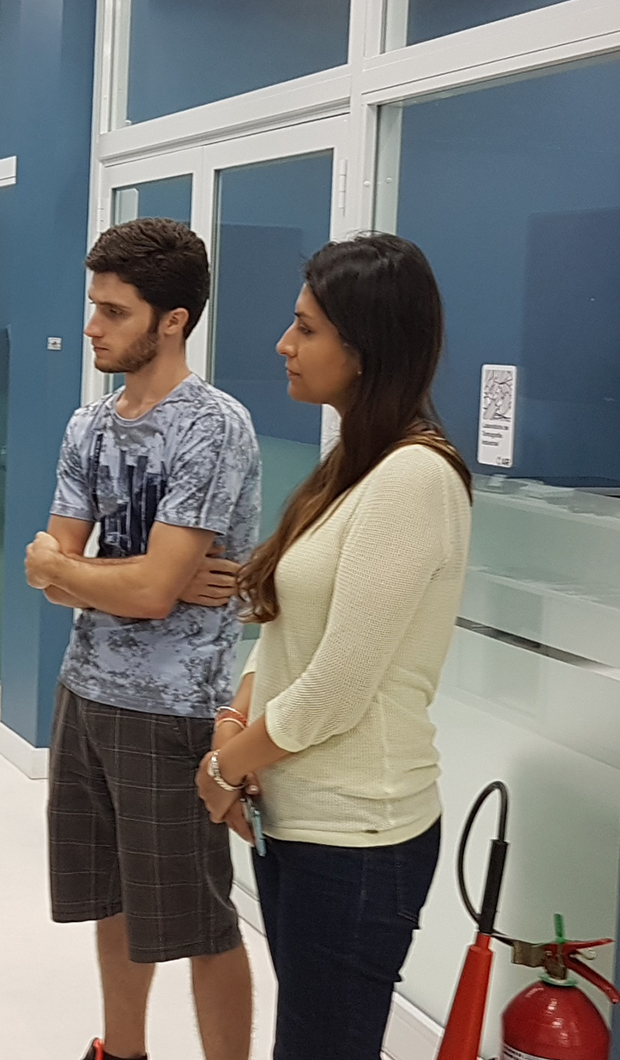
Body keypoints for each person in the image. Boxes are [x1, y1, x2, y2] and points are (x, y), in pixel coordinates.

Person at [196, 233, 473, 1060]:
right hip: (299, 818)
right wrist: (234, 718)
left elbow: (339, 685)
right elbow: (291, 632)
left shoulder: (413, 478)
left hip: (359, 836)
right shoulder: (355, 463)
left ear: (364, 349)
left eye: (307, 328)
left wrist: (225, 767)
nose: (285, 344)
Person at [23, 217, 262, 1060]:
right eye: (95, 306)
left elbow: (128, 584)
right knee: (113, 897)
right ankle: (120, 1051)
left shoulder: (214, 427)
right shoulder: (88, 425)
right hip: (85, 691)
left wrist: (91, 574)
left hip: (174, 710)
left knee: (197, 918)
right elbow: (48, 572)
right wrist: (122, 578)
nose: (94, 326)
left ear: (173, 320)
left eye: (115, 311)